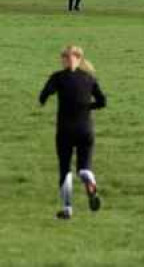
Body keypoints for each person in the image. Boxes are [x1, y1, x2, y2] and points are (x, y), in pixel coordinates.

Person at [38, 45, 106, 220]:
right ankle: (90, 182)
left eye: (64, 57)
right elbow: (102, 101)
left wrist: (44, 99)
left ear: (66, 59)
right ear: (79, 59)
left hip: (65, 130)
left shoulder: (58, 77)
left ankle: (67, 209)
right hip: (85, 129)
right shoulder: (89, 78)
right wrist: (86, 107)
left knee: (65, 170)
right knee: (84, 168)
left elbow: (45, 93)